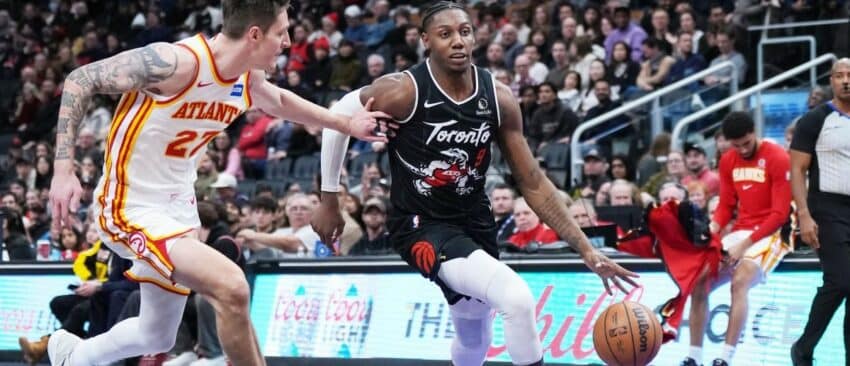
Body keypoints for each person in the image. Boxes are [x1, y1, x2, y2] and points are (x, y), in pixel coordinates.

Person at [46, 1, 389, 365]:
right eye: (281, 32)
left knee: (156, 333)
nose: (288, 41)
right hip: (130, 204)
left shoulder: (247, 78)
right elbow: (80, 80)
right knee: (232, 287)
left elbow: (280, 100)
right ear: (254, 35)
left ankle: (76, 355)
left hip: (179, 207)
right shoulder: (177, 63)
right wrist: (63, 170)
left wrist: (346, 125)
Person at [313, 3, 638, 366]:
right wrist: (329, 199)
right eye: (445, 33)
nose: (457, 41)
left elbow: (532, 182)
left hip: (474, 222)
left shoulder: (497, 98)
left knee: (474, 336)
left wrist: (587, 249)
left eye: (464, 32)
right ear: (426, 41)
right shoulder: (403, 90)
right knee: (515, 298)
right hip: (421, 225)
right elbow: (338, 113)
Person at [682, 111, 792, 366]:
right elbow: (726, 205)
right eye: (736, 145)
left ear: (754, 132)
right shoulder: (727, 159)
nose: (742, 149)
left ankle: (725, 358)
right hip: (742, 229)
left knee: (740, 281)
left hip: (774, 232)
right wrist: (711, 229)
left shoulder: (777, 157)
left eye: (746, 143)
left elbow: (779, 213)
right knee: (698, 282)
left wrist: (743, 245)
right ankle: (694, 356)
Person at [789, 58, 850, 366]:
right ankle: (803, 347)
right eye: (839, 75)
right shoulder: (816, 119)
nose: (845, 80)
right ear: (831, 80)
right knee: (841, 281)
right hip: (827, 207)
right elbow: (797, 170)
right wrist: (804, 214)